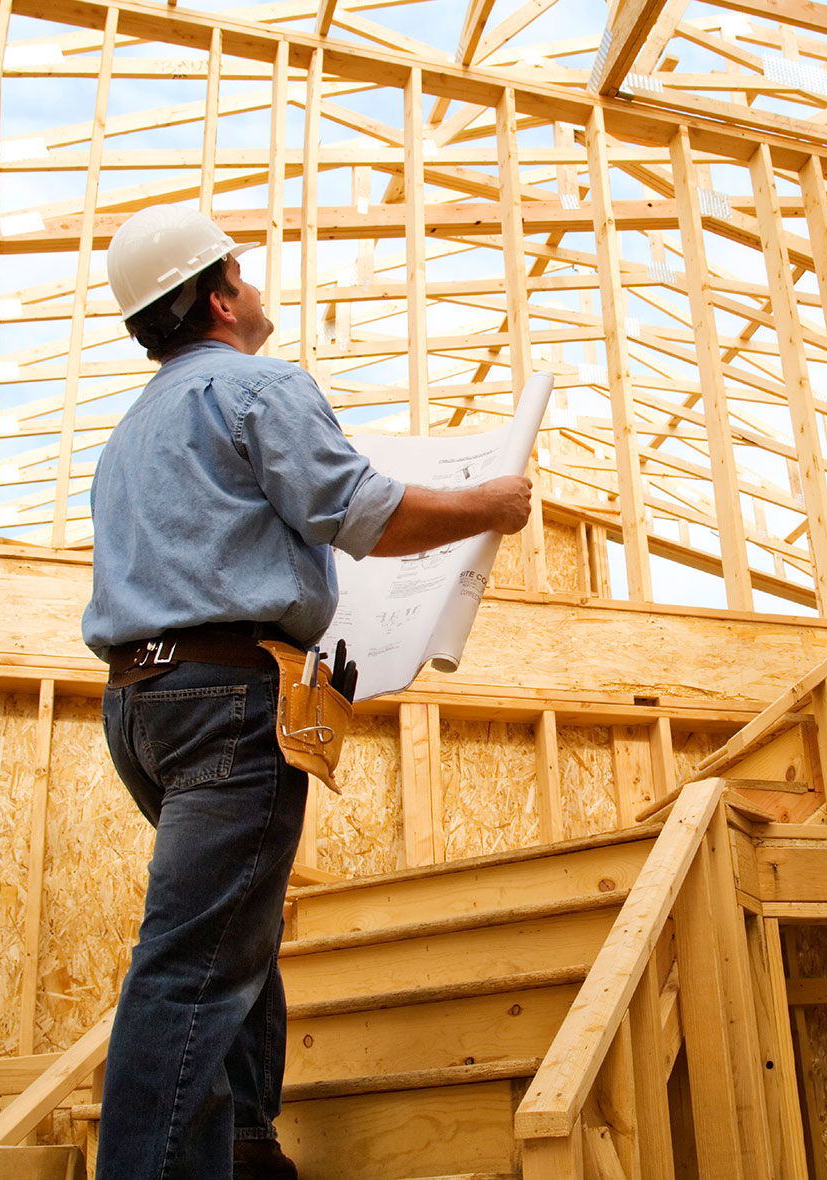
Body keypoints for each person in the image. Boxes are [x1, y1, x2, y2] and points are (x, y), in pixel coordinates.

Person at [81, 205, 532, 1180]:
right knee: (189, 961)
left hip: (140, 708)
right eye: (237, 273)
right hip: (224, 703)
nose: (251, 287)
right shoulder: (257, 386)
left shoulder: (132, 431)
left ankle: (243, 1147)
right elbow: (363, 514)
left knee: (229, 929)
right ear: (216, 297)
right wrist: (489, 503)